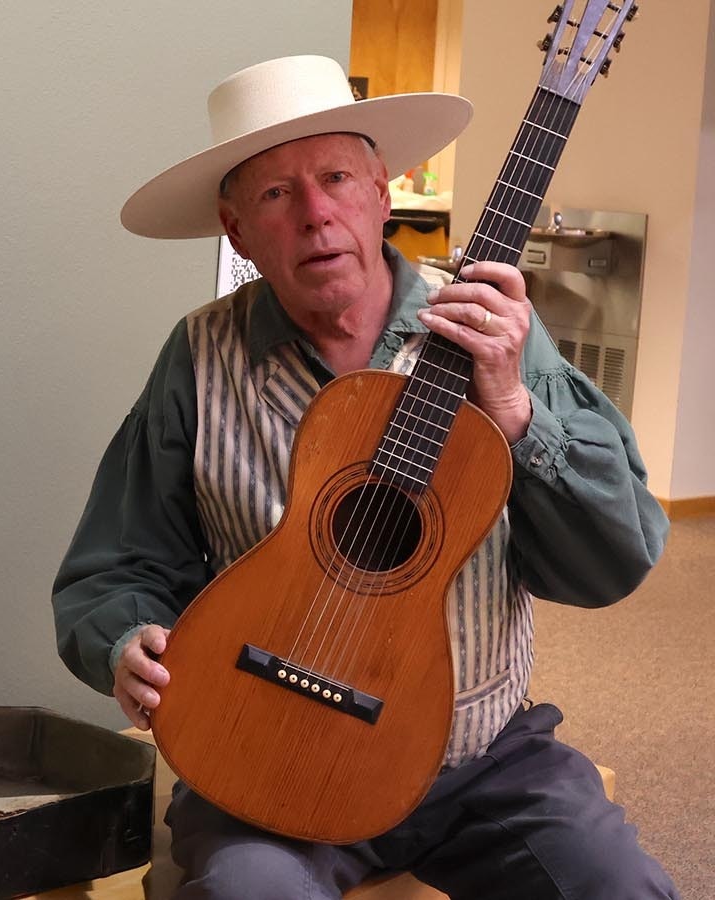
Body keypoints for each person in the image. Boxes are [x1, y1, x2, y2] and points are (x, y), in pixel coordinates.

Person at [51, 55, 677, 899]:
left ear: (381, 194)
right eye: (275, 195)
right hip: (269, 759)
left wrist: (517, 413)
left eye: (336, 177)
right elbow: (119, 563)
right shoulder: (196, 358)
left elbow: (618, 555)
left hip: (480, 758)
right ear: (237, 232)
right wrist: (125, 640)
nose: (315, 216)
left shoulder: (495, 338)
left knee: (619, 887)